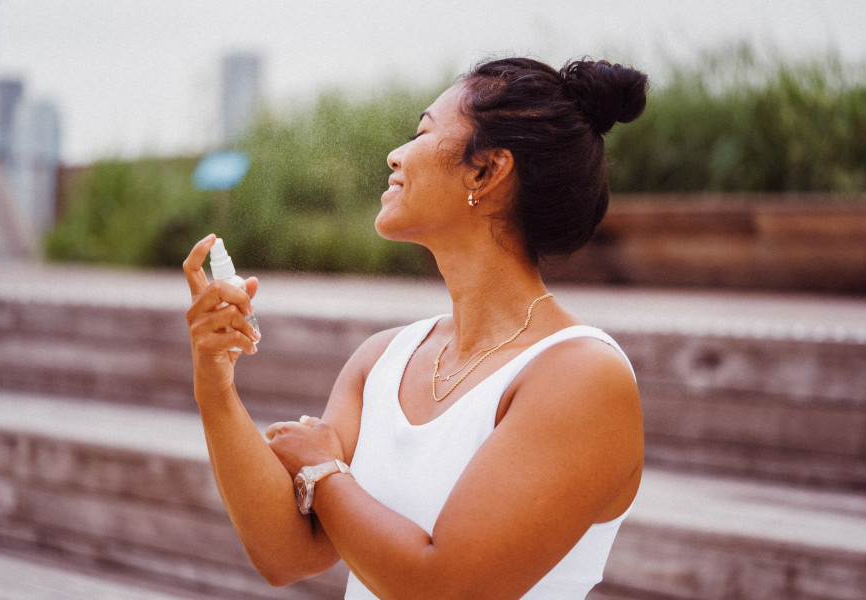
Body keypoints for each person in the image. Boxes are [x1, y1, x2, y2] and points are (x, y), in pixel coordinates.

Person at [184, 56, 648, 600]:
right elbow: (288, 553)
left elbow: (444, 587)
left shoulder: (581, 375)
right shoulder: (383, 358)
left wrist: (324, 470)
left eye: (422, 132)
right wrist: (214, 383)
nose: (395, 154)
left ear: (487, 171)